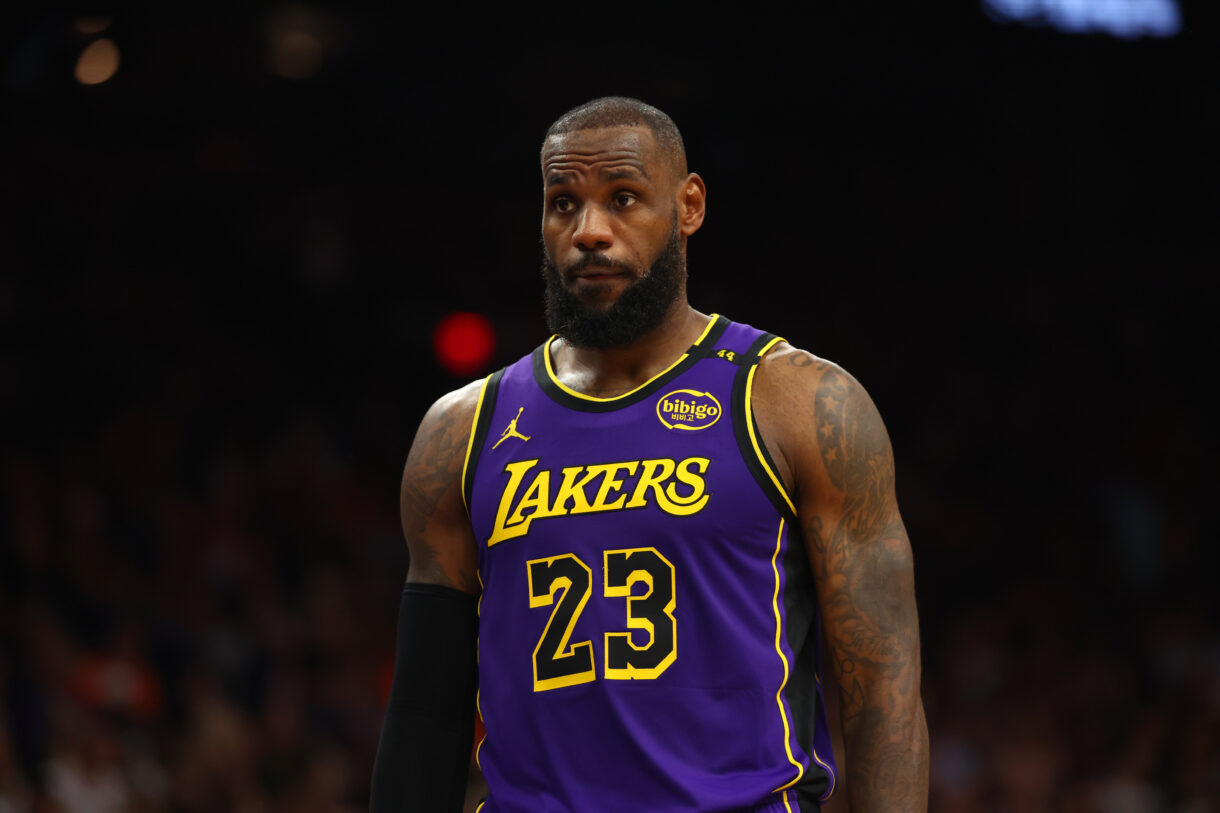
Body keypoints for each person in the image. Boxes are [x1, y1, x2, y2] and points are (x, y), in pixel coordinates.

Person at [370, 97, 928, 813]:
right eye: (563, 203)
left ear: (688, 205)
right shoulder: (462, 431)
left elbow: (883, 690)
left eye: (623, 198)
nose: (589, 231)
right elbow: (424, 715)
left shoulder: (794, 402)